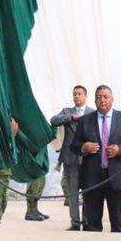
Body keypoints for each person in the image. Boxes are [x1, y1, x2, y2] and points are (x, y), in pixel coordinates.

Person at [68, 85, 121, 232]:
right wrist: (84, 147)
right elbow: (74, 145)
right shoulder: (85, 120)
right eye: (98, 97)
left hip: (118, 178)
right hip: (92, 179)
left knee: (119, 225)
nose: (102, 100)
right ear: (94, 101)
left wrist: (120, 149)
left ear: (112, 99)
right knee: (91, 226)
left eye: (105, 97)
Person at [49, 85, 93, 231]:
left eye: (79, 94)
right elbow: (53, 120)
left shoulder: (92, 112)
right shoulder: (67, 112)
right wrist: (71, 118)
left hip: (88, 158)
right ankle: (75, 222)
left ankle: (87, 220)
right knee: (72, 191)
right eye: (74, 94)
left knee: (88, 190)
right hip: (70, 157)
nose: (76, 96)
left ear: (85, 96)